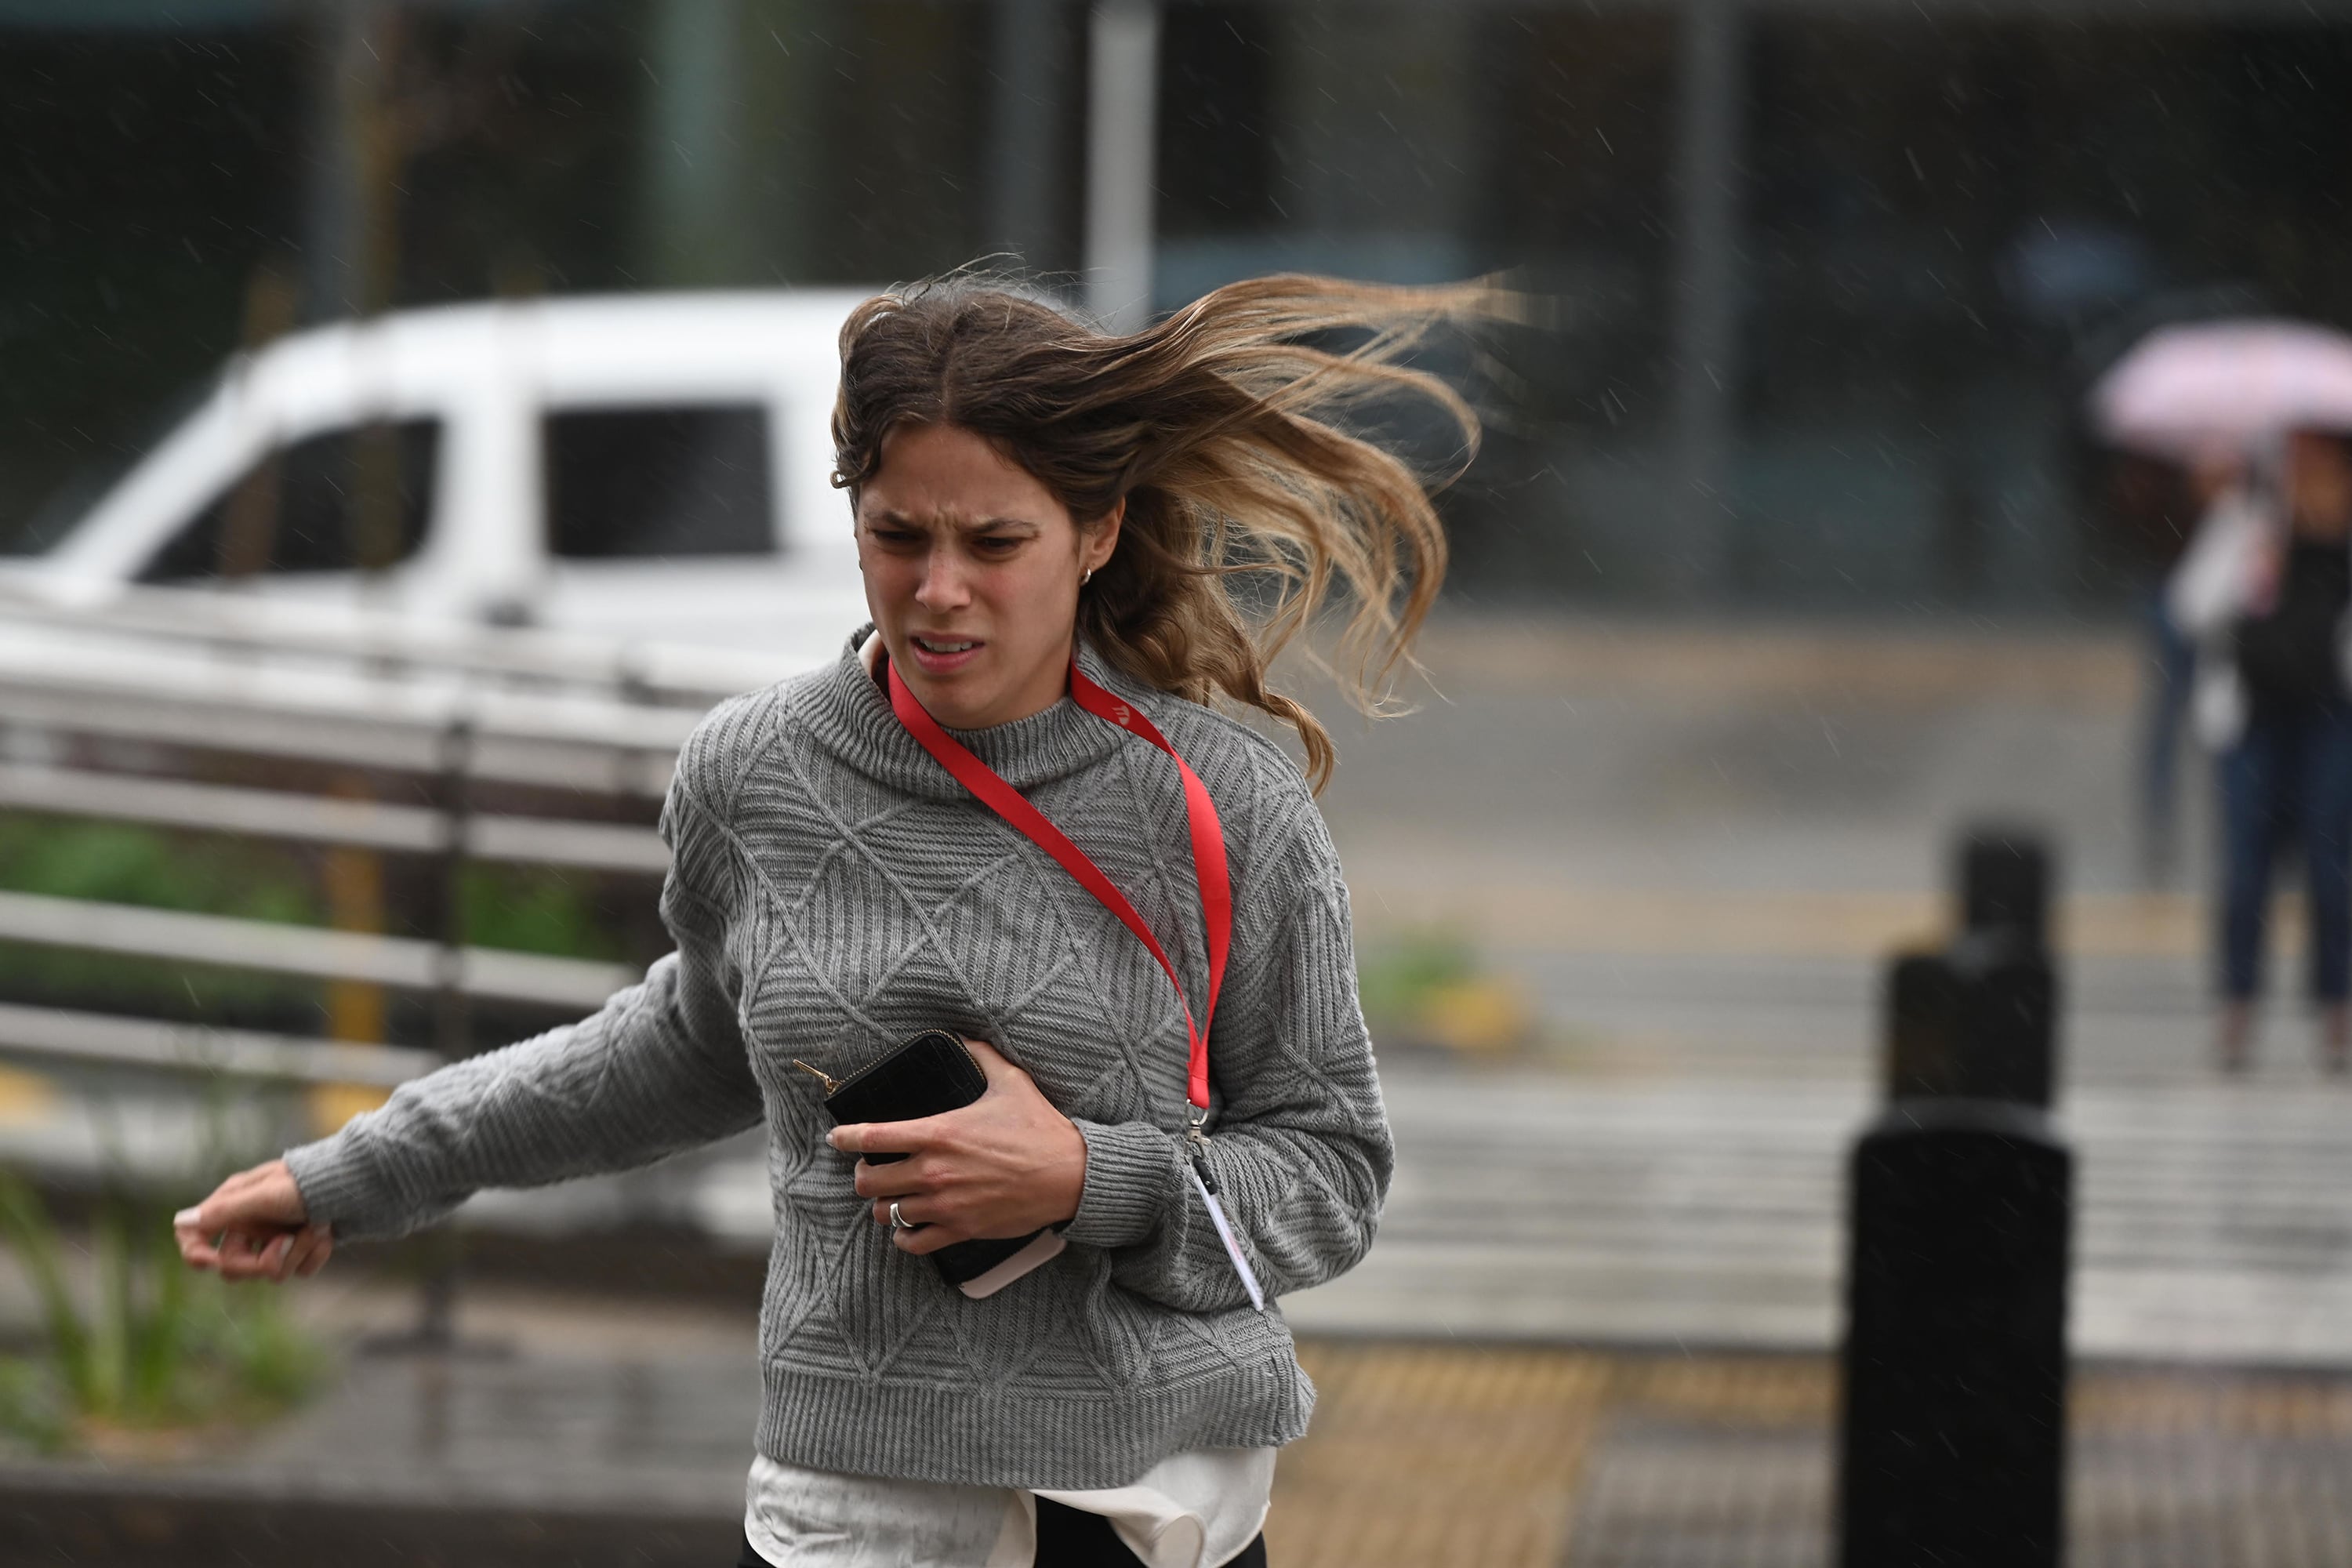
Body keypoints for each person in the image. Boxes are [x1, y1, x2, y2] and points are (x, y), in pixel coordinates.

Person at [173, 272, 1501, 1566]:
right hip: (847, 1511)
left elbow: (1329, 1179)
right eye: (897, 535)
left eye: (995, 543)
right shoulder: (753, 772)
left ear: (1095, 534)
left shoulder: (1224, 808)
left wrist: (1089, 1179)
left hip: (1142, 1508)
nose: (938, 591)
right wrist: (356, 1172)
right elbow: (682, 1048)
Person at [2170, 428, 2352, 1075]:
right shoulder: (2247, 518)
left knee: (2331, 870)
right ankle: (2237, 1010)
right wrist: (2255, 555)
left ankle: (2337, 1012)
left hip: (2331, 718)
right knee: (2245, 869)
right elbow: (2189, 608)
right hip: (2252, 718)